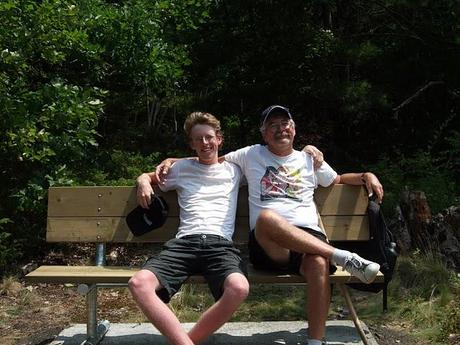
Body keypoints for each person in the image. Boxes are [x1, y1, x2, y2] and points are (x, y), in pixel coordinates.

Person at [158, 105, 384, 345]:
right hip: (269, 245)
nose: (280, 129)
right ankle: (343, 257)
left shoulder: (309, 159)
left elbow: (336, 179)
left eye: (285, 124)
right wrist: (172, 160)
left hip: (309, 240)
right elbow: (209, 156)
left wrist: (365, 176)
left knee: (318, 262)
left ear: (294, 130)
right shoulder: (250, 154)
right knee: (266, 218)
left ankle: (316, 342)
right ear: (264, 134)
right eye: (273, 126)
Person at [128, 112, 250, 345]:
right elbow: (151, 176)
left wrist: (309, 151)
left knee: (239, 287)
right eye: (199, 139)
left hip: (220, 246)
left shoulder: (236, 170)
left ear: (219, 139)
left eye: (209, 137)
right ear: (191, 144)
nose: (205, 143)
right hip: (184, 243)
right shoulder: (181, 168)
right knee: (139, 283)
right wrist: (143, 180)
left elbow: (269, 161)